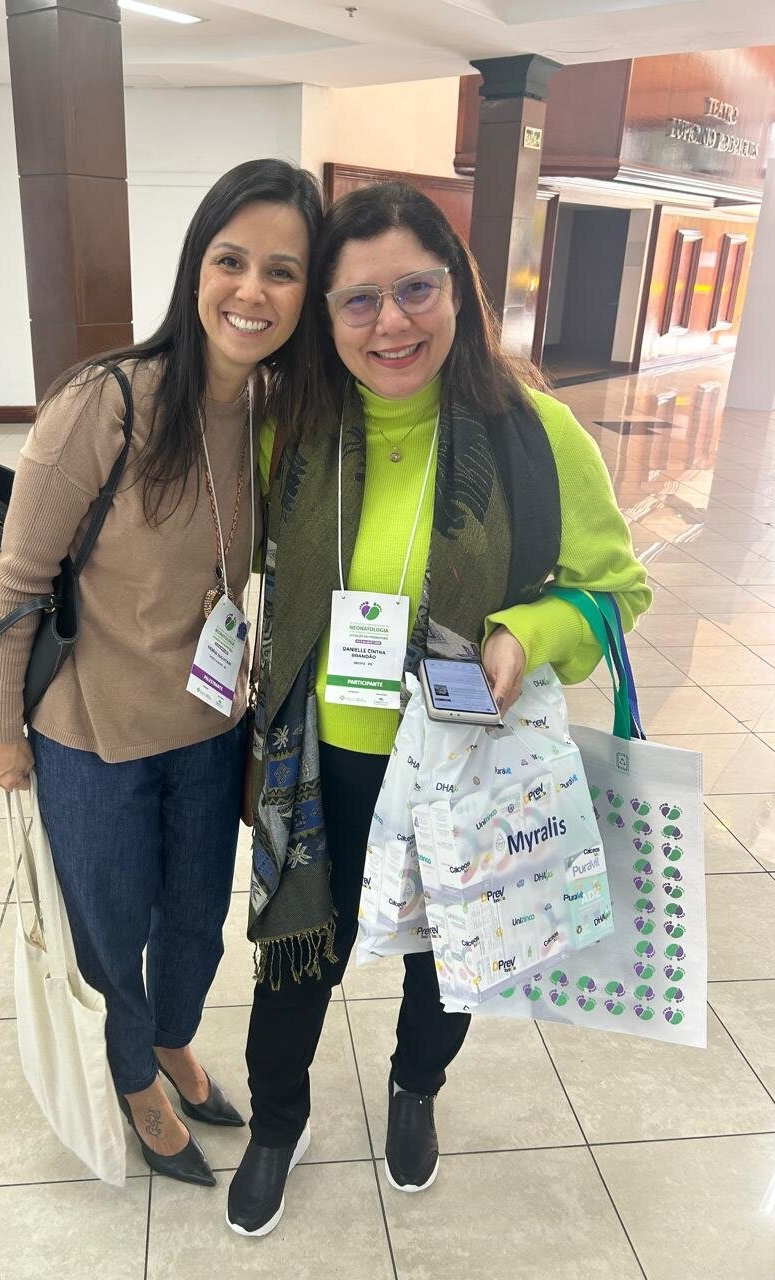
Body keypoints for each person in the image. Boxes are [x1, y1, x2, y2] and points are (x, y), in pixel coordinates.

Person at [227, 181, 652, 1235]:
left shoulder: (536, 434)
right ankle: (278, 1121)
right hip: (323, 758)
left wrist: (529, 631)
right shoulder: (293, 431)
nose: (392, 323)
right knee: (296, 959)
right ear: (327, 317)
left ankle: (416, 1087)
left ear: (458, 289)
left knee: (448, 955)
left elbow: (615, 590)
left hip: (465, 764)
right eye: (358, 300)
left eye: (416, 289)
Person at [0, 158, 322, 1188]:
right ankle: (132, 1074)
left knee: (197, 920)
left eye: (283, 271)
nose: (252, 292)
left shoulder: (274, 414)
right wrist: (0, 729)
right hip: (94, 734)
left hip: (209, 726)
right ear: (195, 267)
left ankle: (172, 1035)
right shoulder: (107, 400)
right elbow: (18, 577)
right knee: (111, 925)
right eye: (231, 261)